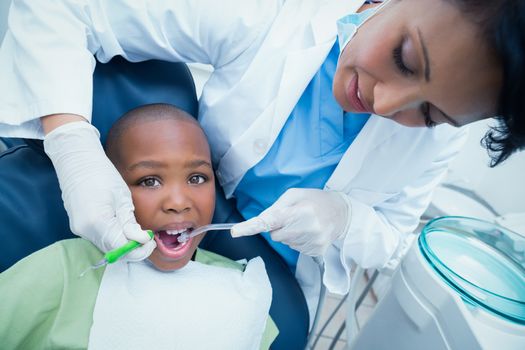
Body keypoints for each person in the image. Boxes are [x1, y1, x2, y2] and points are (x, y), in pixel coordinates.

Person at [0, 0, 523, 346]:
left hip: (271, 287)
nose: (385, 103)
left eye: (430, 114)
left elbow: (392, 238)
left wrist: (344, 221)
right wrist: (72, 145)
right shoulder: (268, 13)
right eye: (405, 59)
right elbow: (58, 7)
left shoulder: (442, 139)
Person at [0, 104, 278, 350]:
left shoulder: (241, 285)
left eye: (196, 177)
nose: (178, 202)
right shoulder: (60, 270)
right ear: (112, 188)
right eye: (149, 181)